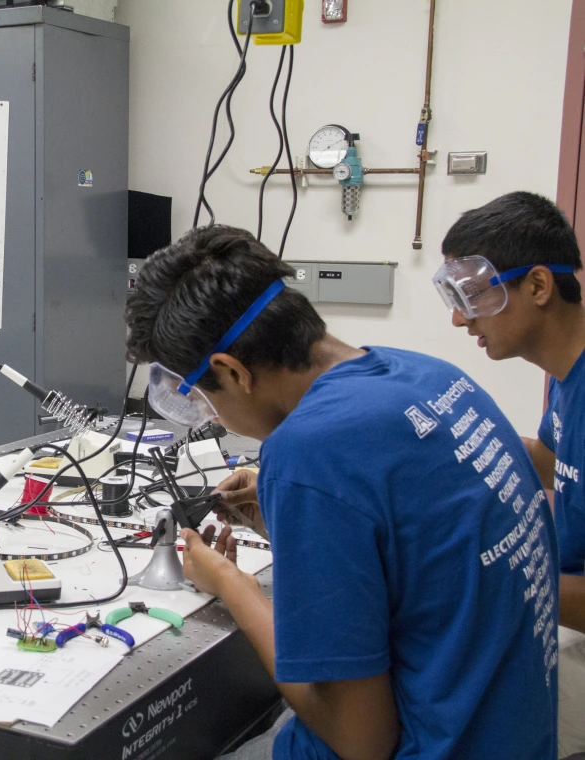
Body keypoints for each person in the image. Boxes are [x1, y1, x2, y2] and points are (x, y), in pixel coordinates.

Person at [125, 224, 558, 759]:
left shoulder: (308, 454)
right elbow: (415, 543)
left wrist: (229, 583)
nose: (212, 417)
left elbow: (362, 741)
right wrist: (289, 521)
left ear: (230, 371)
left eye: (203, 401)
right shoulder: (428, 376)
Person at [438, 191, 585, 757]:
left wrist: (504, 578)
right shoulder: (569, 376)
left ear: (539, 286)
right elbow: (553, 461)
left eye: (470, 295)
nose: (458, 318)